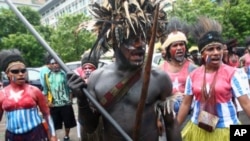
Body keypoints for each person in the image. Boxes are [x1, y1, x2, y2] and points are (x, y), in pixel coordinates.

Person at [67, 1, 181, 141]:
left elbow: (170, 125)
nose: (140, 44)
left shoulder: (159, 78)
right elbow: (90, 127)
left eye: (143, 38)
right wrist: (82, 100)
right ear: (115, 41)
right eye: (131, 38)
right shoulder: (97, 79)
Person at [177, 16, 250, 141]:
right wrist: (173, 127)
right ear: (202, 54)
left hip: (228, 129)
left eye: (219, 48)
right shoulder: (193, 75)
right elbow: (185, 104)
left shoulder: (232, 73)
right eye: (210, 49)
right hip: (198, 129)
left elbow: (246, 104)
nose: (216, 52)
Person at [0, 49, 57, 141]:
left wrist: (53, 135)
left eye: (23, 70)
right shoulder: (2, 94)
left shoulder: (34, 91)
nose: (21, 74)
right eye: (15, 71)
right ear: (7, 74)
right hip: (13, 136)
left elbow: (46, 114)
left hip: (36, 134)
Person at [43, 58, 76, 141]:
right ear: (50, 65)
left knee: (67, 122)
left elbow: (70, 88)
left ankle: (66, 136)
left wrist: (70, 99)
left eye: (56, 63)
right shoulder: (47, 75)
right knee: (54, 123)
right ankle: (55, 137)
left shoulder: (64, 74)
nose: (55, 65)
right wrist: (47, 102)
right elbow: (46, 90)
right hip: (54, 104)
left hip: (65, 103)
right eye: (53, 63)